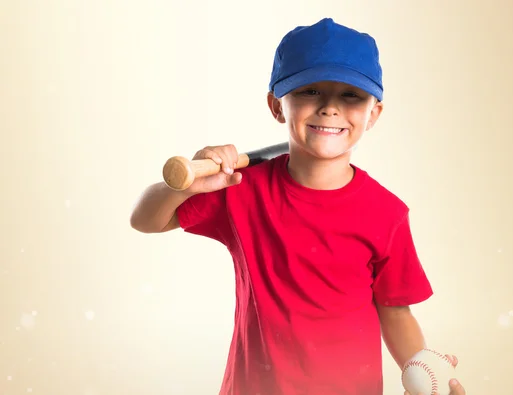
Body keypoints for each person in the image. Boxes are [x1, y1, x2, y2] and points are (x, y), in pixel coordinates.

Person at [130, 17, 466, 395]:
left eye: (351, 95)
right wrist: (188, 186)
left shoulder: (385, 213)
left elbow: (395, 310)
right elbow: (145, 220)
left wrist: (419, 367)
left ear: (373, 114)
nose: (329, 108)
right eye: (310, 91)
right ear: (277, 105)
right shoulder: (241, 188)